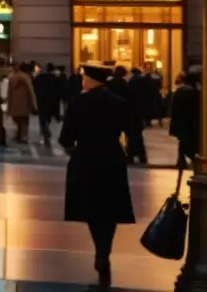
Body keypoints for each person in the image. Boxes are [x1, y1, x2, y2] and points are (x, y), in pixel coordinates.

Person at [59, 62, 135, 287]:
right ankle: (104, 249)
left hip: (86, 160)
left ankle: (100, 249)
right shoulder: (119, 104)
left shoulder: (78, 103)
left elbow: (65, 138)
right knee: (110, 210)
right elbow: (133, 131)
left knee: (91, 209)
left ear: (90, 80)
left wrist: (75, 149)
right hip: (112, 160)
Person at [170, 67, 201, 169]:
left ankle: (181, 160)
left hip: (180, 122)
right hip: (190, 123)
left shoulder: (179, 92)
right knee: (190, 143)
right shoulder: (193, 93)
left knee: (182, 142)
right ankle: (187, 159)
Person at [6, 62, 38, 143]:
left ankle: (19, 134)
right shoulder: (25, 77)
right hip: (24, 103)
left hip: (15, 103)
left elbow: (9, 92)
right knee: (24, 121)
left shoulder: (13, 77)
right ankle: (23, 136)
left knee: (18, 120)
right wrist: (34, 104)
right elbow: (31, 91)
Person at [32, 62, 61, 145]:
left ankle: (43, 127)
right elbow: (58, 90)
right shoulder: (55, 78)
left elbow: (34, 86)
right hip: (51, 99)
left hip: (41, 99)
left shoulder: (39, 78)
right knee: (48, 115)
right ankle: (46, 126)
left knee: (42, 115)